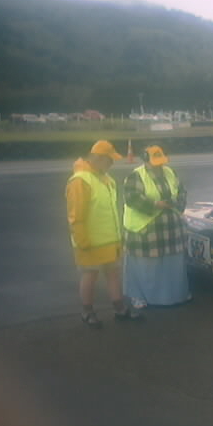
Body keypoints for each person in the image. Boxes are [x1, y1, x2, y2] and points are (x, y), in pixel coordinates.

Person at [66, 140, 141, 328]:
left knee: (113, 273)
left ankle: (119, 308)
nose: (112, 164)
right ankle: (87, 311)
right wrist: (82, 240)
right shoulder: (80, 181)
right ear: (98, 158)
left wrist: (118, 236)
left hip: (110, 239)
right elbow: (76, 216)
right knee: (89, 275)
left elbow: (111, 211)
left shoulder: (107, 179)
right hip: (90, 241)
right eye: (110, 160)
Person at [122, 145, 190, 308]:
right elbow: (131, 198)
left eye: (161, 162)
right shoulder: (136, 176)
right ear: (146, 161)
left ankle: (174, 295)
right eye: (155, 163)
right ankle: (138, 296)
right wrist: (154, 204)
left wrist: (176, 203)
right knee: (146, 265)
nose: (159, 166)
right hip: (145, 229)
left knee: (172, 263)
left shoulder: (170, 172)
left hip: (170, 228)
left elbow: (181, 192)